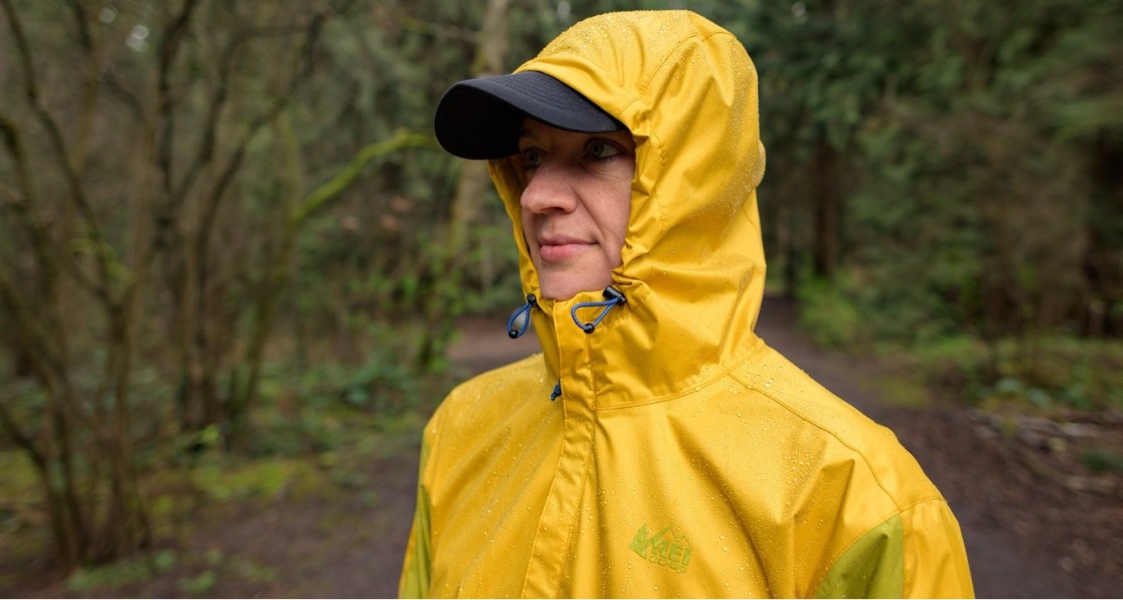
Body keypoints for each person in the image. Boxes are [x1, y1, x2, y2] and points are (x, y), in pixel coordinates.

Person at [399, 10, 974, 598]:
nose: (538, 196)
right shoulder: (460, 427)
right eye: (532, 157)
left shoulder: (855, 494)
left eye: (598, 151)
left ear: (693, 181)